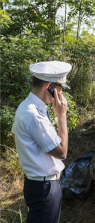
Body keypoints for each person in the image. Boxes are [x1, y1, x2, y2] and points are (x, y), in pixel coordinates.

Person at [12, 61, 72, 223]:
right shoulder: (34, 115)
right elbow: (62, 152)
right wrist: (61, 116)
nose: (61, 93)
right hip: (44, 187)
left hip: (41, 184)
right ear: (49, 87)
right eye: (60, 88)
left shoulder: (28, 107)